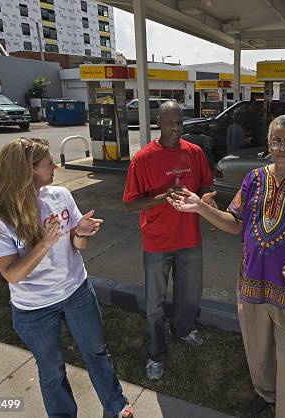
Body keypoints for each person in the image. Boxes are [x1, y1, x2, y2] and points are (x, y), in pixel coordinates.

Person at [168, 115, 285, 418]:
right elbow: (235, 223)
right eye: (276, 140)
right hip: (252, 286)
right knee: (258, 356)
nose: (282, 147)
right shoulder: (253, 179)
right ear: (268, 143)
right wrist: (199, 207)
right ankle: (267, 395)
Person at [0, 138, 134, 418]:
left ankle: (116, 407)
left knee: (96, 352)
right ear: (28, 170)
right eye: (49, 163)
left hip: (76, 291)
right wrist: (44, 243)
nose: (57, 166)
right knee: (51, 369)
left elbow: (75, 245)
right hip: (33, 308)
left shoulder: (59, 195)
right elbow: (12, 274)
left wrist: (80, 233)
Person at [123, 100, 214, 381]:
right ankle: (156, 354)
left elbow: (206, 185)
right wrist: (163, 197)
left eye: (179, 122)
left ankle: (183, 329)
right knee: (155, 302)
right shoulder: (144, 158)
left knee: (190, 294)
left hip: (189, 238)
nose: (175, 128)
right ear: (158, 124)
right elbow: (130, 204)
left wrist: (207, 198)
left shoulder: (195, 153)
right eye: (170, 123)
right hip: (157, 242)